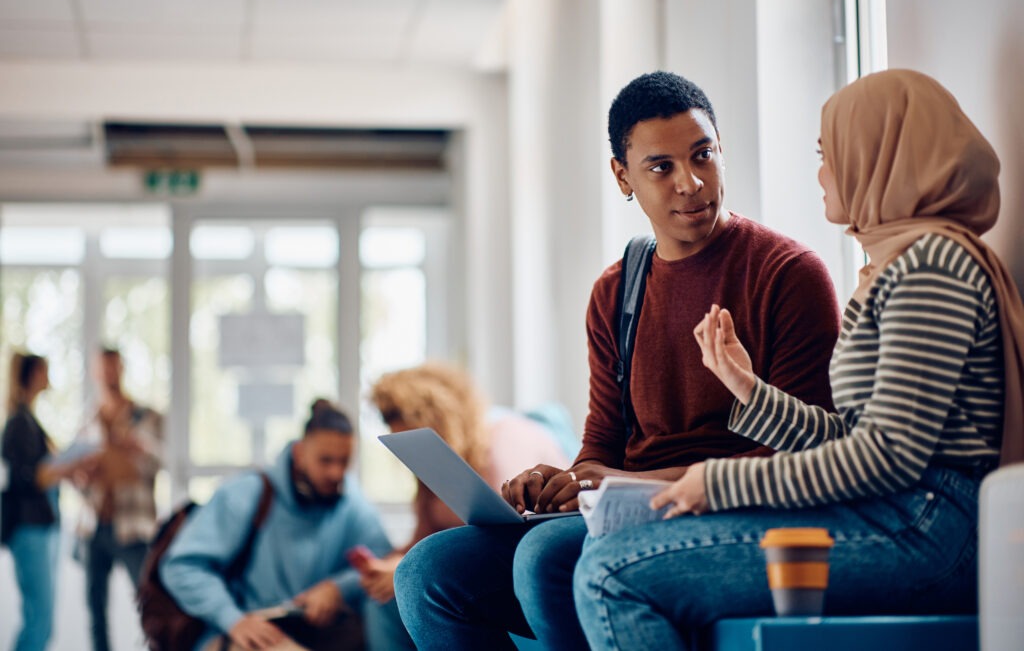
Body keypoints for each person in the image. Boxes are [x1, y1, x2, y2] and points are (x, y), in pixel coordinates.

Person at [572, 68, 1024, 650]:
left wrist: (717, 481)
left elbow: (886, 458)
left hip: (929, 528)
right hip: (902, 514)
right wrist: (749, 390)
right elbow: (853, 435)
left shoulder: (931, 268)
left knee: (608, 574)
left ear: (880, 159)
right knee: (595, 562)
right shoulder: (899, 265)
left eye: (831, 155)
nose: (822, 173)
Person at [394, 71, 842, 650]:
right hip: (629, 511)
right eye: (662, 167)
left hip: (726, 511)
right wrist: (567, 481)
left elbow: (797, 460)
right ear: (622, 176)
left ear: (720, 151)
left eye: (703, 155)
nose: (691, 183)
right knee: (427, 573)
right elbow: (604, 440)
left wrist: (625, 482)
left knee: (544, 557)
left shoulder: (787, 275)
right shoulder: (618, 290)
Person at [161, 400, 413, 651]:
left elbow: (381, 563)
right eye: (325, 461)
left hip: (317, 635)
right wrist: (232, 619)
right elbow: (182, 566)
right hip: (243, 631)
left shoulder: (351, 503)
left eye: (344, 462)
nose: (336, 473)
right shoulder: (247, 494)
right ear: (299, 453)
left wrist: (337, 588)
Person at [361, 362, 571, 605]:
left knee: (406, 584)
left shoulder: (505, 439)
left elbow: (507, 536)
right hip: (479, 559)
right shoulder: (432, 468)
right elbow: (420, 539)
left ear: (441, 421)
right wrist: (388, 564)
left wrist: (403, 567)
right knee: (382, 599)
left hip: (525, 558)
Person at [2, 353, 96, 651]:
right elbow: (32, 477)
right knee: (38, 620)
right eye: (44, 371)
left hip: (42, 527)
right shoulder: (18, 423)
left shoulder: (31, 421)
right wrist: (66, 466)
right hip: (29, 530)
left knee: (43, 621)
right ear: (31, 375)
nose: (49, 377)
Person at [73, 347, 163, 651]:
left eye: (114, 368)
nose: (109, 375)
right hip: (94, 527)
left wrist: (129, 455)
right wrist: (82, 477)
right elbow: (77, 475)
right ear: (95, 373)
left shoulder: (146, 417)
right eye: (103, 369)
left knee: (150, 607)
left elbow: (154, 465)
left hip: (134, 527)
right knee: (95, 613)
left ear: (122, 369)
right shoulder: (88, 422)